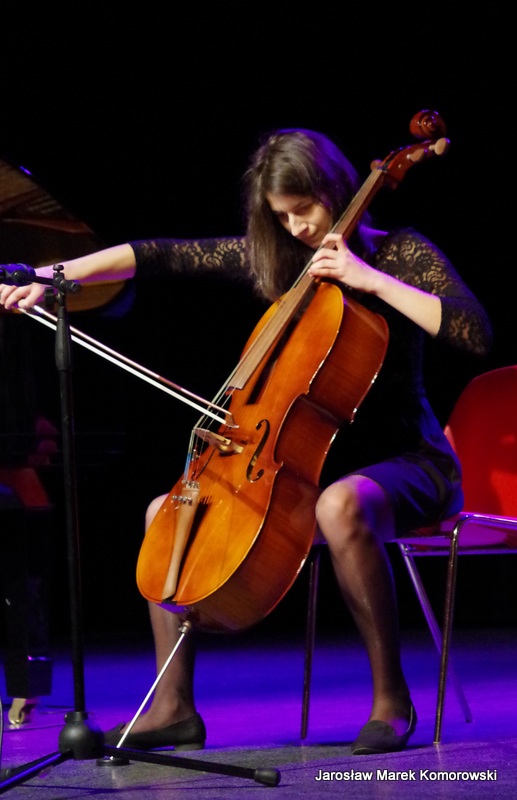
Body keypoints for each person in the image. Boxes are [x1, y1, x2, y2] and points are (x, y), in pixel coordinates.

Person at [0, 128, 492, 755]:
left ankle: (391, 699)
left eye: (304, 209)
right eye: (281, 216)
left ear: (336, 190)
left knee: (340, 503)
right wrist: (51, 276)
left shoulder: (398, 252)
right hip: (299, 470)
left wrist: (369, 279)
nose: (296, 228)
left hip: (408, 464)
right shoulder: (281, 265)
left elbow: (475, 331)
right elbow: (156, 255)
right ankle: (174, 707)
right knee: (165, 512)